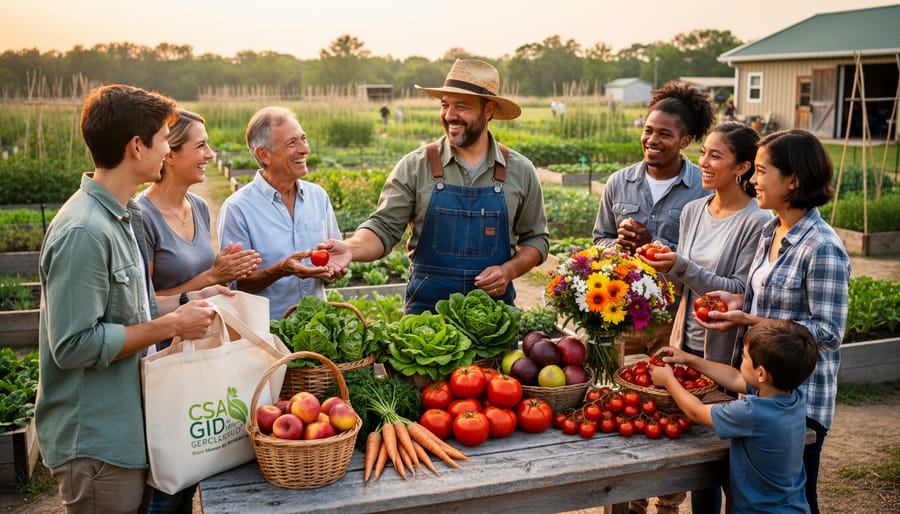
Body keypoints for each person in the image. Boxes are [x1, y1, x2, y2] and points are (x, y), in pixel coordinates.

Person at [35, 84, 229, 513]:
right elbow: (72, 345)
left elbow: (132, 313)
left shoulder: (122, 218)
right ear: (136, 146)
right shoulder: (84, 231)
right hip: (97, 442)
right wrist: (170, 326)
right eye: (163, 139)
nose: (167, 150)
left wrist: (192, 300)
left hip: (127, 427)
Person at [697, 129, 851, 514]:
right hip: (760, 388)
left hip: (801, 398)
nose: (753, 180)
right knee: (749, 493)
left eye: (762, 171)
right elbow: (770, 297)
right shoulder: (772, 229)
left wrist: (751, 318)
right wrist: (737, 301)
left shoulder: (823, 247)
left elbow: (829, 333)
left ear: (793, 180)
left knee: (793, 498)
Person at [323, 59, 549, 314]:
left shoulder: (520, 170)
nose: (450, 115)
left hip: (493, 320)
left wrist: (509, 270)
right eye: (445, 105)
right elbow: (382, 228)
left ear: (489, 110)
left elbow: (536, 238)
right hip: (426, 321)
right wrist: (350, 249)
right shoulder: (415, 166)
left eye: (461, 106)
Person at [592, 81, 715, 514]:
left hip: (674, 317)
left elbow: (702, 254)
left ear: (685, 140)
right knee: (622, 406)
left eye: (664, 134)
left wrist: (655, 242)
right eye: (648, 130)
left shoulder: (703, 189)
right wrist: (617, 248)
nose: (652, 140)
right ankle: (627, 502)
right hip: (624, 319)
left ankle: (667, 501)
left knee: (669, 410)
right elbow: (598, 242)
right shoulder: (619, 183)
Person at [642, 121, 772, 513]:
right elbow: (685, 281)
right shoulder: (694, 209)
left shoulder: (757, 221)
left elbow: (738, 290)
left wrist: (680, 264)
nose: (703, 162)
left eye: (716, 156)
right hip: (688, 344)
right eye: (703, 153)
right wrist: (656, 268)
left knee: (727, 461)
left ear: (743, 168)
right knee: (698, 461)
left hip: (727, 354)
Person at [135, 108, 260, 513]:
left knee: (199, 459)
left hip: (200, 349)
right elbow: (142, 302)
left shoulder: (200, 206)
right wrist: (209, 277)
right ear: (168, 155)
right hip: (163, 354)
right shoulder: (142, 216)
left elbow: (204, 280)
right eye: (200, 146)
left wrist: (224, 275)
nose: (209, 154)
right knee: (170, 475)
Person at [648, 320, 819, 513]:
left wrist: (669, 380)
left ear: (761, 374)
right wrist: (687, 358)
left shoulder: (751, 412)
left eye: (745, 357)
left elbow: (696, 411)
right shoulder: (794, 398)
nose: (741, 362)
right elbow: (735, 378)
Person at [217, 106, 343, 321]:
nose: (304, 149)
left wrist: (335, 271)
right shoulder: (238, 209)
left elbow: (334, 258)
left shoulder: (318, 197)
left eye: (303, 139)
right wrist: (280, 270)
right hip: (268, 333)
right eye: (292, 143)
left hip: (318, 328)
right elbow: (236, 283)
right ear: (263, 154)